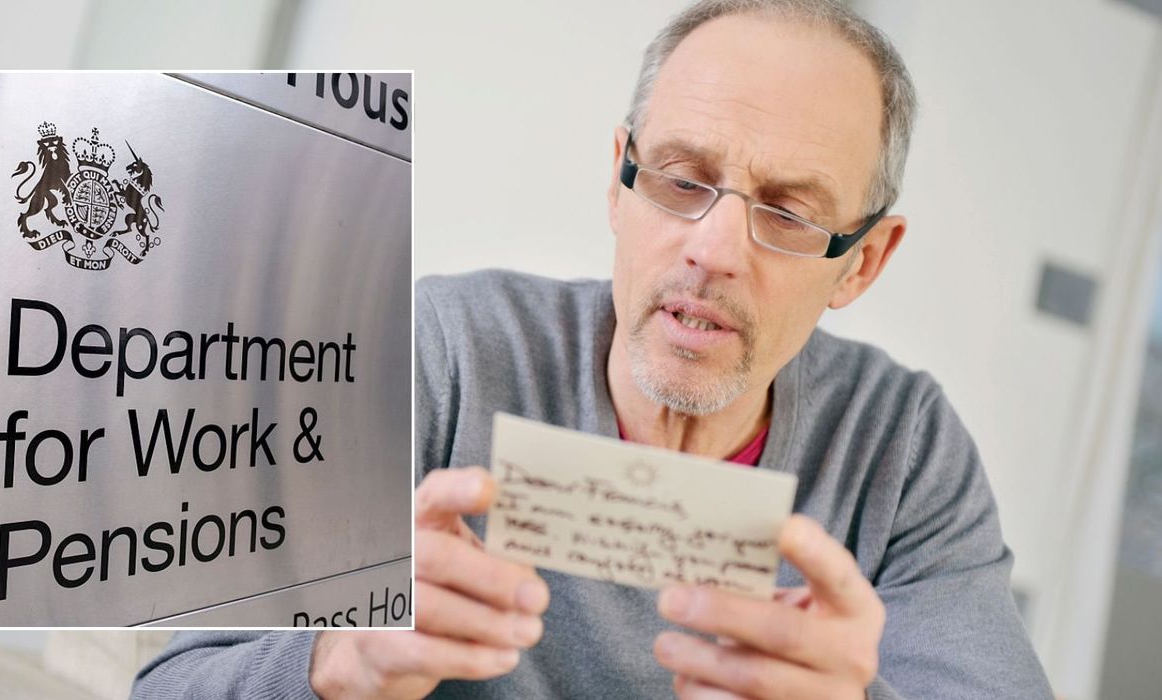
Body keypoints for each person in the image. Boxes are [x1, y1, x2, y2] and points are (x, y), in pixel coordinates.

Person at [134, 1, 1054, 698]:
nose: (712, 248)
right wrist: (335, 659)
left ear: (861, 263)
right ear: (619, 186)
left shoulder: (902, 445)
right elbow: (173, 681)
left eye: (786, 213)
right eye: (681, 180)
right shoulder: (443, 351)